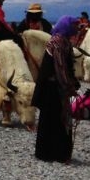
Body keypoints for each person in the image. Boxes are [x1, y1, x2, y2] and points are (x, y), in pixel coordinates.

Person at [32, 15, 82, 163]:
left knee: (57, 120)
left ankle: (56, 153)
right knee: (53, 120)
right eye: (74, 25)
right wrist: (69, 86)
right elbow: (60, 68)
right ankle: (52, 153)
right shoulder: (58, 43)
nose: (76, 29)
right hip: (51, 88)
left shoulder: (63, 42)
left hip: (56, 86)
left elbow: (67, 67)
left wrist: (71, 83)